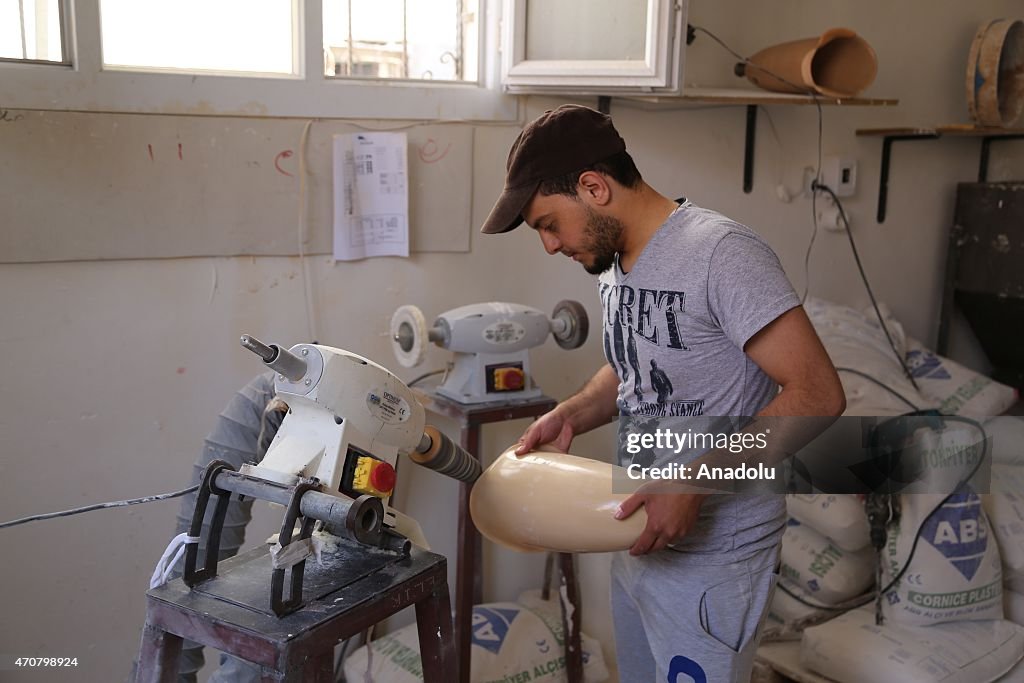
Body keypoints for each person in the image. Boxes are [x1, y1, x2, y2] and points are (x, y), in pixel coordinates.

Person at [480, 104, 845, 682]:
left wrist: (695, 479)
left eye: (549, 224)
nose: (549, 245)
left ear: (594, 187)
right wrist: (575, 411)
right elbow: (636, 367)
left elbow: (819, 394)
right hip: (638, 533)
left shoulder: (722, 254)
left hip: (717, 552)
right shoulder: (612, 263)